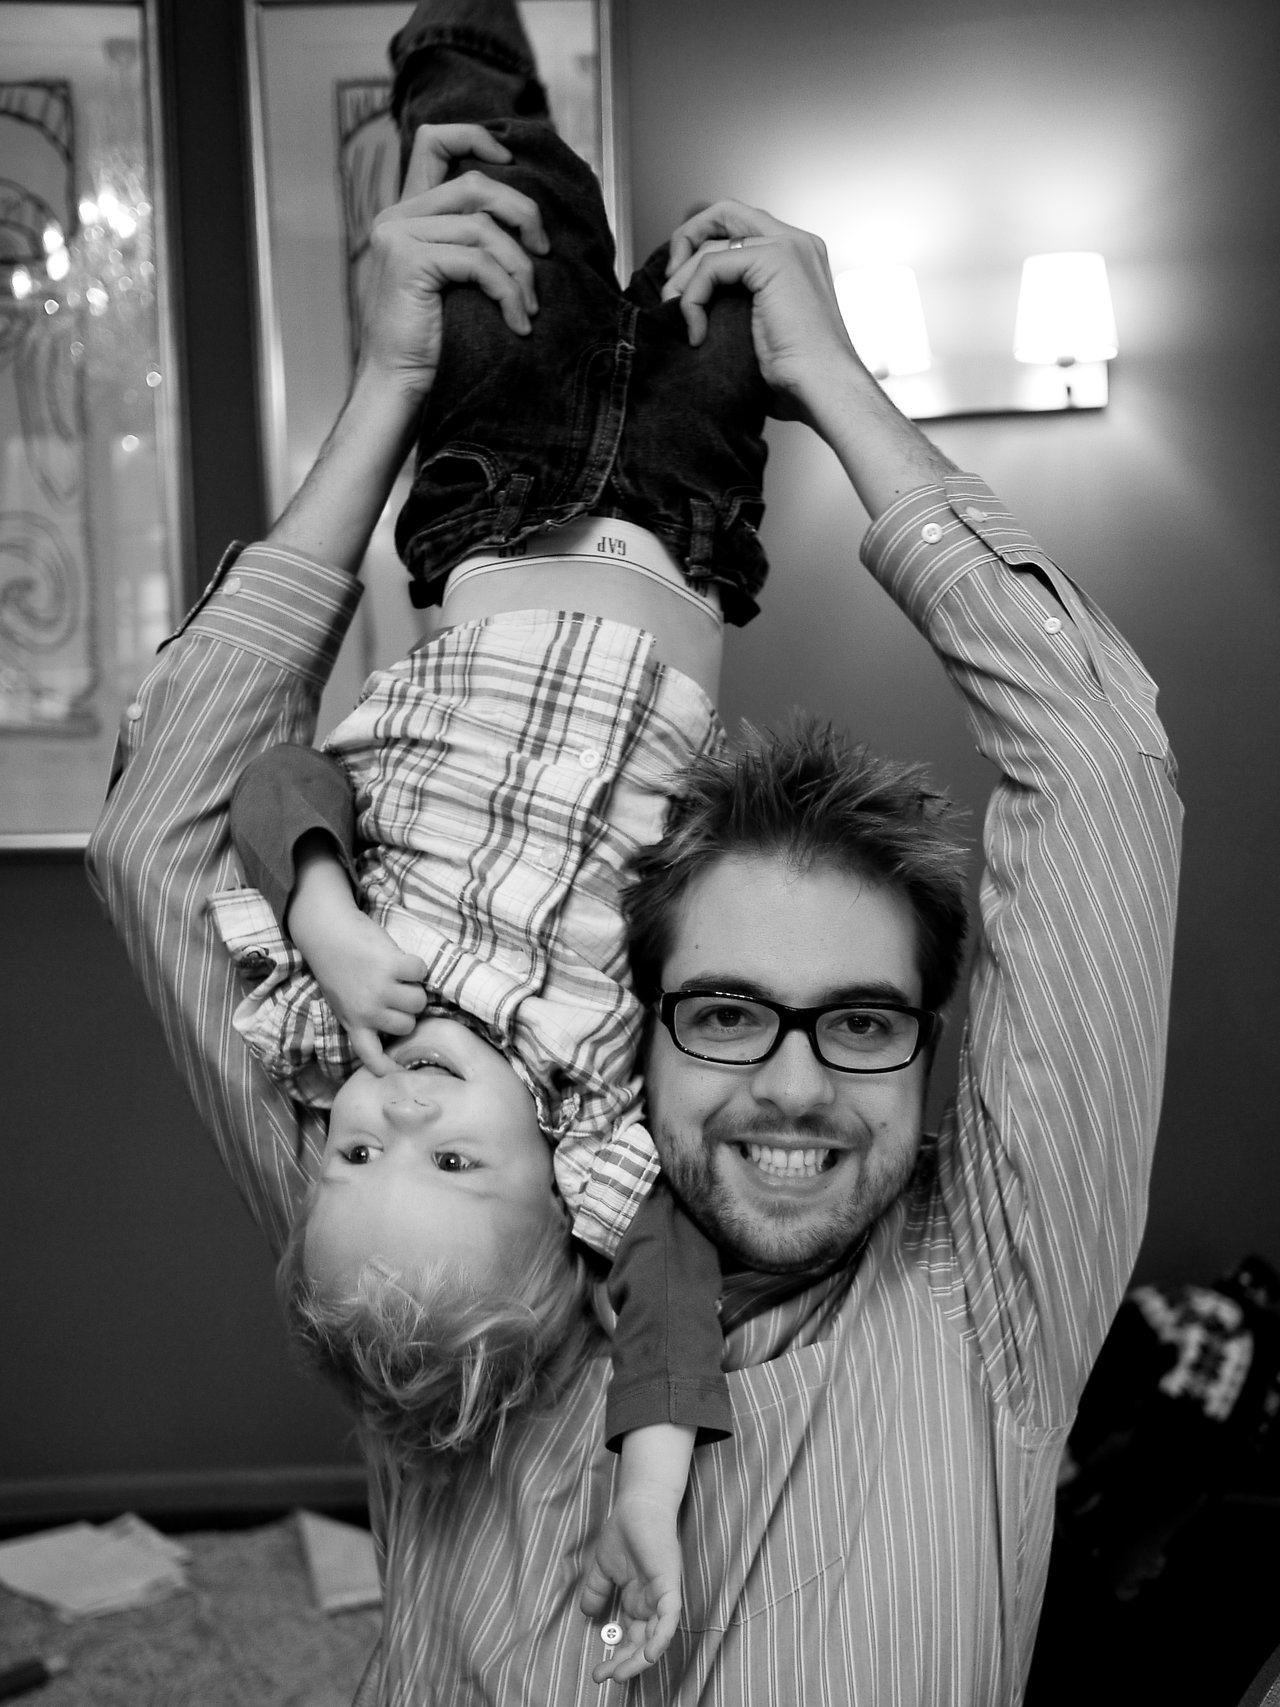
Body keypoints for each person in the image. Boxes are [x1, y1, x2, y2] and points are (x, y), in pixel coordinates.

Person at [88, 4, 1181, 1702]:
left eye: (866, 1021)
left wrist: (840, 394)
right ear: (633, 1020)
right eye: (727, 1011)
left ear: (939, 1049)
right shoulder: (455, 1305)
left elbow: (1101, 783)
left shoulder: (995, 1299)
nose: (792, 1084)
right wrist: (378, 389)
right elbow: (167, 838)